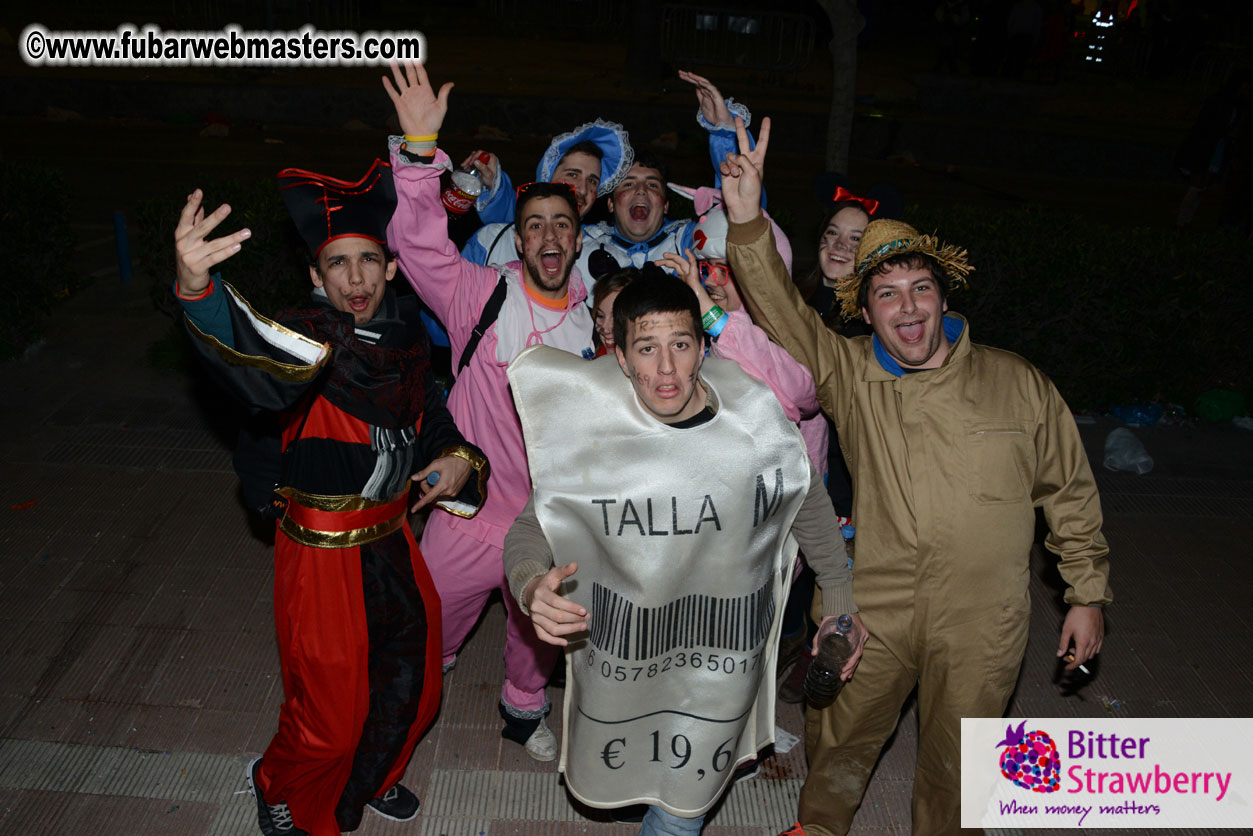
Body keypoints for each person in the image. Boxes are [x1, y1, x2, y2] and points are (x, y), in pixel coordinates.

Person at [718, 119, 1111, 836]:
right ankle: (818, 827)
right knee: (838, 733)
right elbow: (778, 308)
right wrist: (744, 218)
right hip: (876, 600)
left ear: (942, 293)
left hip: (983, 613)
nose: (907, 307)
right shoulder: (849, 372)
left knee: (959, 762)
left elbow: (1068, 490)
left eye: (919, 288)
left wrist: (1085, 593)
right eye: (887, 295)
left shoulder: (1015, 381)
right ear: (865, 311)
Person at [172, 161, 488, 836]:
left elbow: (430, 411)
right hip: (321, 554)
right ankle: (276, 782)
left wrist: (457, 456)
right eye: (337, 264)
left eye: (368, 261)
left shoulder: (402, 342)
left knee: (416, 685)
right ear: (315, 279)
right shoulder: (306, 343)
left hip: (394, 541)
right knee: (327, 716)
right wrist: (200, 290)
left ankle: (369, 779)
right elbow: (252, 359)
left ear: (391, 270)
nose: (355, 278)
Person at [502, 274, 866, 835]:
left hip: (719, 658)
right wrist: (531, 586)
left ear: (703, 346)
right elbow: (533, 527)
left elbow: (806, 497)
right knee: (640, 772)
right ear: (621, 358)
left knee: (681, 811)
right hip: (629, 655)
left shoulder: (751, 416)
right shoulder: (593, 431)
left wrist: (838, 594)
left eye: (680, 344)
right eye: (647, 348)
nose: (666, 368)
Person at [383, 59, 597, 761]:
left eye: (560, 224)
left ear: (575, 236)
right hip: (468, 511)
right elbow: (415, 244)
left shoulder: (599, 322)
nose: (547, 237)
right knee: (432, 626)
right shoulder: (483, 293)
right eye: (533, 224)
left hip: (547, 521)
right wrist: (418, 154)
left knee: (535, 639)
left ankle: (522, 710)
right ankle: (410, 705)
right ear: (520, 235)